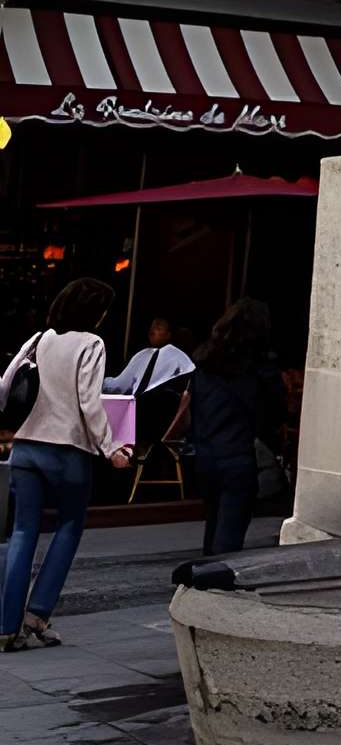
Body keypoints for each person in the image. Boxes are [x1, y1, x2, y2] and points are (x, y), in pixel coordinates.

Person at [0, 277, 132, 648]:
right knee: (70, 526)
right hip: (67, 450)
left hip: (25, 448)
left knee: (22, 532)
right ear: (96, 312)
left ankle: (6, 628)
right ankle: (37, 614)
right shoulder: (91, 343)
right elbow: (90, 403)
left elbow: (5, 386)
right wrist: (112, 448)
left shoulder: (39, 339)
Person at [165, 298, 284, 557]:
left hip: (204, 453)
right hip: (237, 453)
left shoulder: (204, 361)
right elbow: (273, 410)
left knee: (214, 522)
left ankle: (204, 580)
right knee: (229, 532)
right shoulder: (258, 367)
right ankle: (214, 585)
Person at [105, 314, 195, 395]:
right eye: (152, 327)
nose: (152, 331)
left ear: (168, 334)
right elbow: (122, 384)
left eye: (158, 328)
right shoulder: (142, 354)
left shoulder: (178, 357)